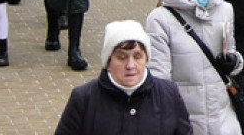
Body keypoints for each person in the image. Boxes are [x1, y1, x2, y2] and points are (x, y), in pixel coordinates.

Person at [145, 0, 243, 135]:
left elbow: (231, 54)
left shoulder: (225, 10)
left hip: (223, 120)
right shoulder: (160, 19)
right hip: (184, 121)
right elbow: (159, 79)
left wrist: (234, 62)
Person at [54, 20, 192, 135]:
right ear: (108, 62)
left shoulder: (168, 93)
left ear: (146, 59)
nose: (131, 65)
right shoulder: (84, 98)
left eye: (138, 56)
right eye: (122, 57)